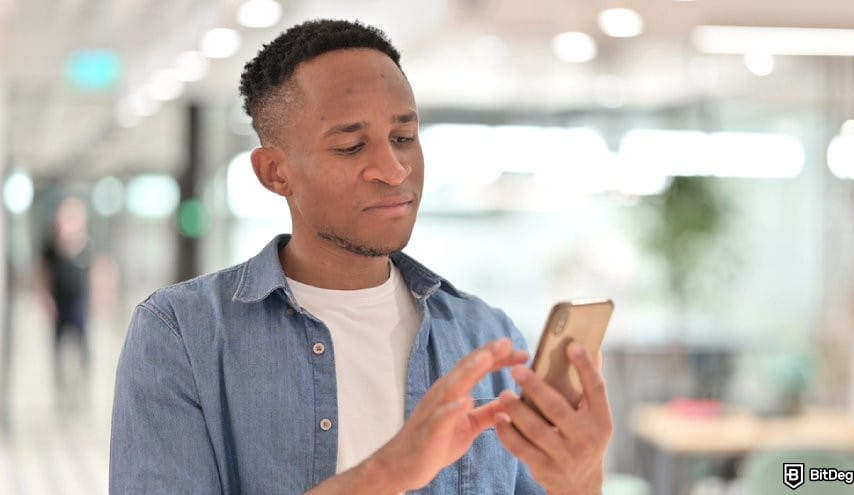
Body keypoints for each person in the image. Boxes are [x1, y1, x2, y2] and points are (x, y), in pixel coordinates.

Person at [110, 19, 611, 494]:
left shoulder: (484, 336)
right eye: (351, 146)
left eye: (403, 138)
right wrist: (388, 471)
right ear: (274, 173)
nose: (393, 170)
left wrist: (581, 479)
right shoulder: (181, 334)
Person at [40, 196, 92, 410]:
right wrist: (46, 299)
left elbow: (97, 271)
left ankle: (81, 393)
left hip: (79, 303)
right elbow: (42, 274)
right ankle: (60, 393)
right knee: (58, 349)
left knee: (82, 348)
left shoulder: (86, 244)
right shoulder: (51, 246)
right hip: (59, 303)